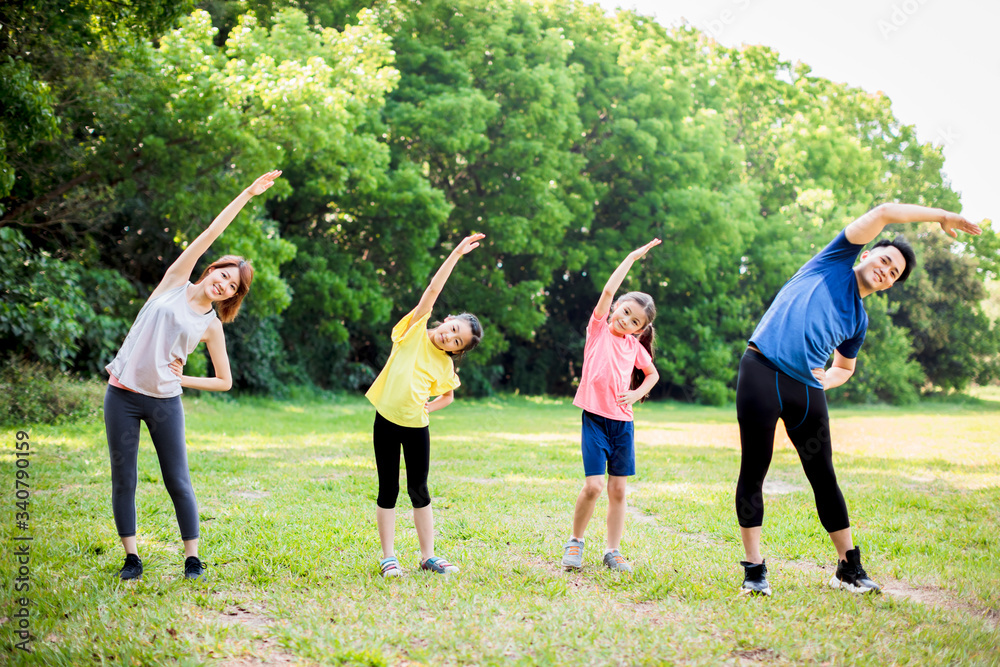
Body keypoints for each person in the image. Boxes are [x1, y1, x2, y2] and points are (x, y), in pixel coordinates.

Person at [736, 203, 982, 595]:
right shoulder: (832, 262)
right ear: (866, 254)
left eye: (894, 272)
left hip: (806, 390)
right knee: (755, 469)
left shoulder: (858, 320)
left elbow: (845, 367)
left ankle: (847, 567)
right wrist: (941, 217)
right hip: (761, 372)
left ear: (888, 284)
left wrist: (825, 381)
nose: (886, 269)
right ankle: (754, 569)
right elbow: (884, 211)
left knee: (824, 476)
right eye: (885, 260)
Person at [104, 170, 282, 581]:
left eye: (233, 286)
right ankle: (132, 558)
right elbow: (211, 230)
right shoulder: (173, 284)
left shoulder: (211, 326)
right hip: (122, 395)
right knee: (123, 478)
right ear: (211, 269)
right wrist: (247, 194)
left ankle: (192, 559)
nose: (224, 284)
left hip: (165, 401)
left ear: (233, 296)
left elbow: (225, 381)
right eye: (223, 274)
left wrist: (182, 381)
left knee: (178, 481)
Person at [365, 233, 485, 577]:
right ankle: (388, 556)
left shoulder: (445, 366)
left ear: (456, 350)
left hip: (417, 428)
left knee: (420, 489)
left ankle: (427, 556)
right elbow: (432, 290)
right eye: (453, 329)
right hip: (386, 420)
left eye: (457, 341)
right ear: (447, 319)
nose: (450, 337)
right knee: (388, 488)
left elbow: (447, 395)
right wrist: (456, 255)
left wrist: (430, 408)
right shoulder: (414, 329)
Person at [561, 239, 661, 573]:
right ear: (617, 306)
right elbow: (606, 292)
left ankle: (612, 550)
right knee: (593, 486)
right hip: (595, 419)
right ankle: (575, 542)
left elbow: (652, 374)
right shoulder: (599, 330)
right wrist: (631, 257)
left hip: (623, 424)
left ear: (641, 329)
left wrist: (636, 394)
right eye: (625, 311)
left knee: (618, 489)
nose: (626, 320)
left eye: (634, 321)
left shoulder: (634, 347)